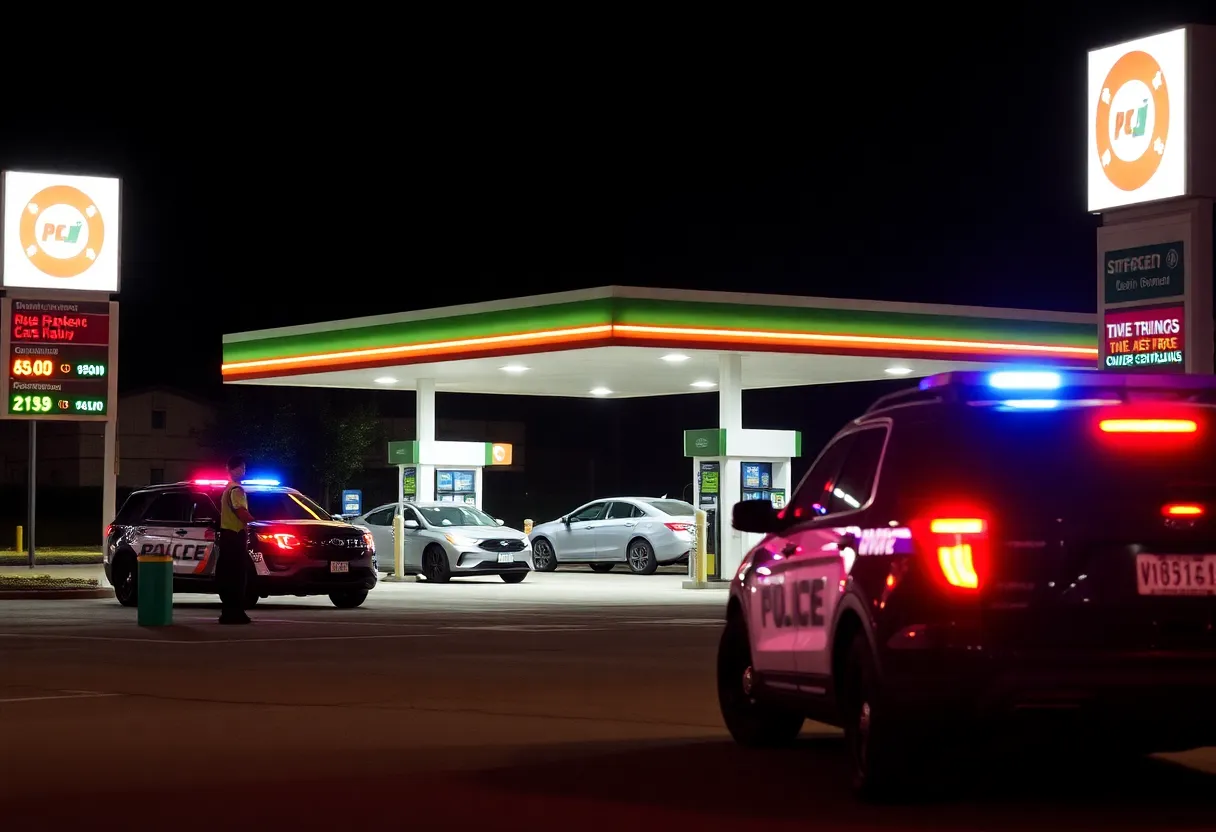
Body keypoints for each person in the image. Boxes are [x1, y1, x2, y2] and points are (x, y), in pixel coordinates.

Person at [217, 455, 256, 625]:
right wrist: (253, 521)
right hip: (235, 536)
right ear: (235, 469)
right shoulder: (237, 490)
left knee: (227, 575)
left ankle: (228, 612)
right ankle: (236, 613)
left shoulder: (227, 489)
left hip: (227, 536)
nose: (244, 471)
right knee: (237, 576)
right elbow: (241, 512)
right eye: (242, 468)